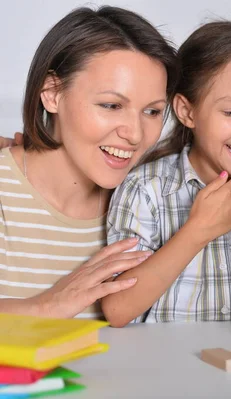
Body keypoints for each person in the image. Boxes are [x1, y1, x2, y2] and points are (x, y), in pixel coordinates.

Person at [102, 21, 231, 326]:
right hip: (168, 365)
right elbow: (118, 309)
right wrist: (199, 228)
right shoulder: (146, 189)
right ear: (187, 112)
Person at [0, 6, 178, 319]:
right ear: (52, 93)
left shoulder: (147, 204)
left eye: (152, 111)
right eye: (111, 105)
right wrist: (48, 306)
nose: (135, 134)